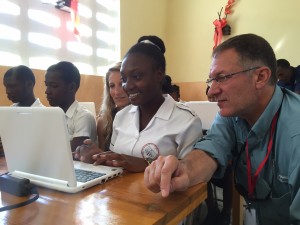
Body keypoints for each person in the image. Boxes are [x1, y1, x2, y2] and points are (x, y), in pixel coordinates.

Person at [144, 33, 300, 225]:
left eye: (223, 77)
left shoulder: (295, 134)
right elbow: (213, 147)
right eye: (211, 80)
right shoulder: (234, 114)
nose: (211, 91)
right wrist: (184, 168)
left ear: (260, 77)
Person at [75, 37, 203, 173]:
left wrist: (145, 164)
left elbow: (190, 176)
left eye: (136, 76)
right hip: (117, 192)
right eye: (124, 79)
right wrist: (98, 156)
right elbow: (117, 163)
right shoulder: (121, 116)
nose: (128, 86)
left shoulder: (186, 121)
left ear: (159, 75)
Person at [44, 61, 97, 152]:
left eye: (54, 86)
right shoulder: (50, 115)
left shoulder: (83, 116)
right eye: (47, 85)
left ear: (71, 87)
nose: (47, 91)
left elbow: (72, 153)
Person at [97, 62, 130, 152]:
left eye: (122, 84)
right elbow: (103, 158)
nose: (117, 92)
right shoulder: (104, 121)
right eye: (112, 86)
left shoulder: (144, 118)